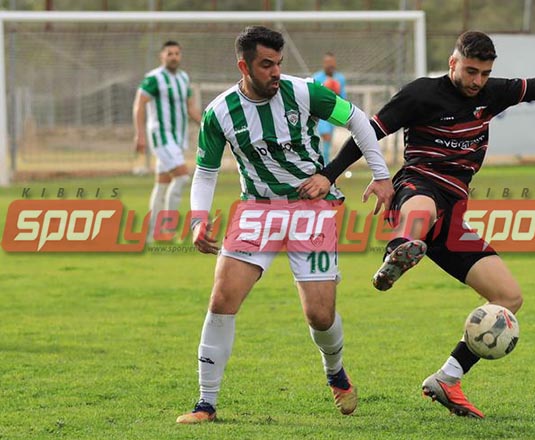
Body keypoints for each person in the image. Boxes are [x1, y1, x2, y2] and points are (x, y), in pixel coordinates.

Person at [298, 31, 535, 418]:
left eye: (485, 73)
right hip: (417, 184)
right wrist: (329, 175)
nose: (477, 80)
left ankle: (447, 377)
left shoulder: (491, 94)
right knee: (422, 209)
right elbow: (368, 132)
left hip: (454, 211)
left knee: (510, 298)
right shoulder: (421, 95)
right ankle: (399, 250)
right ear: (453, 63)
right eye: (471, 70)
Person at [176, 26, 393, 424]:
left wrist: (379, 176)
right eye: (266, 65)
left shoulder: (304, 92)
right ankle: (205, 404)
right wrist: (198, 219)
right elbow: (206, 171)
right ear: (244, 66)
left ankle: (335, 372)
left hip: (310, 208)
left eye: (278, 63)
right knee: (222, 299)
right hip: (256, 210)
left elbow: (359, 120)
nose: (276, 72)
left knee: (319, 316)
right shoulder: (219, 112)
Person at [133, 40, 202, 241]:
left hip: (177, 138)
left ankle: (151, 234)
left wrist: (207, 127)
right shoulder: (154, 78)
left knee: (162, 184)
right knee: (181, 177)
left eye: (176, 53)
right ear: (161, 56)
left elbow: (190, 109)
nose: (173, 57)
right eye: (169, 53)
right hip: (161, 136)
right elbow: (139, 105)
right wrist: (139, 134)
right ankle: (168, 228)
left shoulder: (183, 78)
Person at [312, 52, 348, 162]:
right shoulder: (316, 78)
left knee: (327, 143)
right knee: (325, 137)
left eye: (331, 62)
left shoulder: (340, 78)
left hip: (333, 114)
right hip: (319, 114)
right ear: (324, 64)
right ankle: (325, 167)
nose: (330, 65)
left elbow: (343, 97)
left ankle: (323, 165)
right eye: (327, 62)